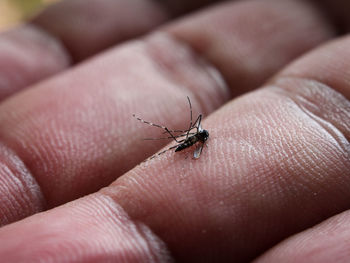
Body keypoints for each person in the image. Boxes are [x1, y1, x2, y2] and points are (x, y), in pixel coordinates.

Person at [0, 0, 349, 261]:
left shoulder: (198, 140)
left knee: (171, 141)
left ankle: (160, 138)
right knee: (169, 138)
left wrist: (194, 145)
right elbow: (196, 132)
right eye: (200, 136)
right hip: (180, 141)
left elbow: (198, 144)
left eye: (201, 138)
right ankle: (158, 136)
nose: (201, 137)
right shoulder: (198, 135)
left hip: (182, 144)